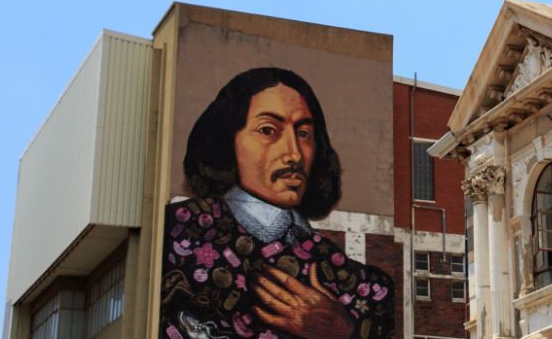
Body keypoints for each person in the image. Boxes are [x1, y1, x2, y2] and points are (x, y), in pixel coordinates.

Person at [160, 67, 394, 339]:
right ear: (227, 140)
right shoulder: (178, 233)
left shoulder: (358, 279)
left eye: (304, 133)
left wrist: (343, 331)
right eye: (269, 130)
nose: (294, 154)